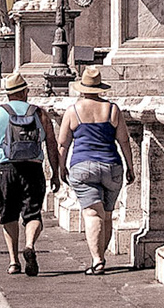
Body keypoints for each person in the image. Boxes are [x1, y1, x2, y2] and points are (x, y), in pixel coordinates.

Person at [56, 65, 135, 274]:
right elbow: (124, 141)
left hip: (83, 168)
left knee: (92, 214)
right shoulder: (112, 109)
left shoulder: (73, 111)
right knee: (107, 214)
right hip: (112, 166)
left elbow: (63, 144)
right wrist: (130, 167)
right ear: (100, 88)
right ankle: (101, 257)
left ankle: (97, 260)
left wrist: (60, 167)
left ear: (82, 88)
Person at [0, 73, 62, 277]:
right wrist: (55, 172)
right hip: (33, 168)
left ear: (8, 94)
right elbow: (51, 145)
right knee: (33, 214)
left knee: (9, 215)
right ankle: (29, 245)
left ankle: (13, 261)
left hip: (6, 169)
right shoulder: (40, 113)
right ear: (25, 91)